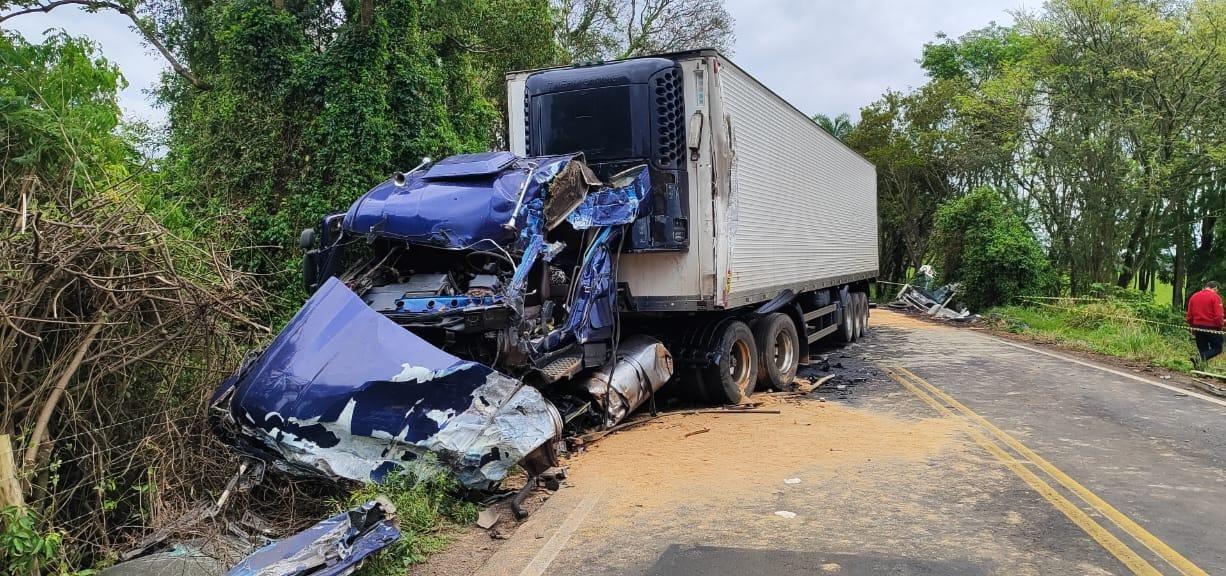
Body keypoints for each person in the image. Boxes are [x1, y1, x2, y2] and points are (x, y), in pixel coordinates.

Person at [1186, 281, 1224, 368]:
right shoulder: (1215, 297)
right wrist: (1220, 326)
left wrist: (1192, 326)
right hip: (1212, 327)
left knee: (1203, 349)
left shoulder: (1194, 296)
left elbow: (1189, 315)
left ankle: (1200, 370)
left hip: (1197, 326)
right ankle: (1198, 359)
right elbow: (1218, 316)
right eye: (1217, 290)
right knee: (1218, 348)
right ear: (1215, 288)